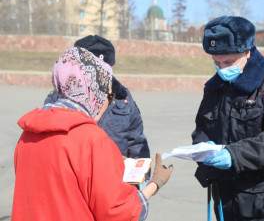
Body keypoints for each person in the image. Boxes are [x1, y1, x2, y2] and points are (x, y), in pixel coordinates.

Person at [12, 46, 173, 221]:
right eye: (109, 96)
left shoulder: (28, 134)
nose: (107, 103)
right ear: (94, 92)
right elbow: (119, 213)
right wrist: (155, 183)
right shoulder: (93, 140)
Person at [192, 16, 264, 221]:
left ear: (247, 52)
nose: (222, 68)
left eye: (228, 62)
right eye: (216, 62)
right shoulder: (214, 87)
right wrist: (202, 147)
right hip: (225, 199)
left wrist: (234, 155)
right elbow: (202, 126)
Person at [44, 35, 151, 182]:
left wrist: (142, 180)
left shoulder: (123, 97)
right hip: (75, 184)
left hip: (115, 183)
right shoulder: (59, 100)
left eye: (103, 70)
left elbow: (136, 142)